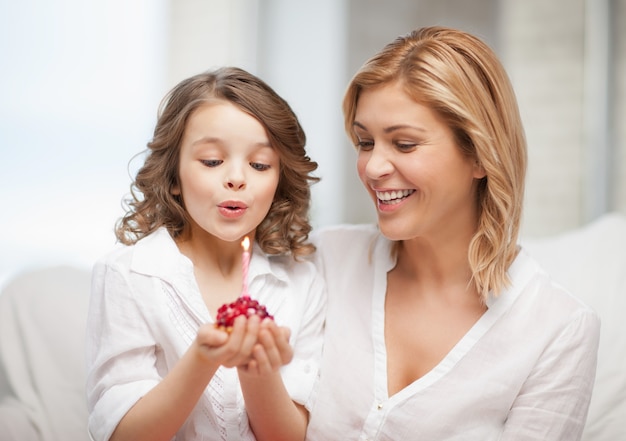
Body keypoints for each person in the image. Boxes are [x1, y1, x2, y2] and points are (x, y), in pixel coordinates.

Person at [305, 26, 600, 441]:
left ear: (480, 155)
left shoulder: (558, 329)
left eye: (404, 144)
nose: (372, 168)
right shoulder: (325, 260)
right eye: (364, 142)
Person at [85, 66, 326, 441]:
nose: (236, 178)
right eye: (212, 161)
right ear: (173, 178)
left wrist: (255, 368)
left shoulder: (302, 282)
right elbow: (122, 434)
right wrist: (202, 358)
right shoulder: (130, 275)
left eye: (260, 164)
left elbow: (289, 436)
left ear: (278, 181)